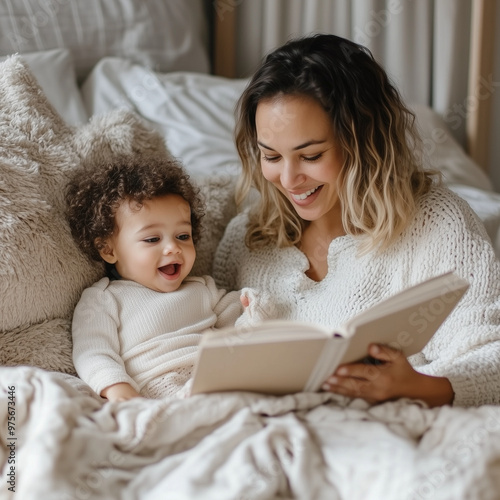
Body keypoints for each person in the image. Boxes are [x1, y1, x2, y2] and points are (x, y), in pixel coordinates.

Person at [213, 33, 500, 408]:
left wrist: (414, 386)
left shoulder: (438, 224)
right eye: (271, 156)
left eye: (311, 155)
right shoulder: (248, 238)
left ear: (365, 143)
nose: (288, 179)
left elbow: (491, 358)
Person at [66, 154, 268, 402]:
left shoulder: (203, 288)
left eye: (183, 236)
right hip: (160, 388)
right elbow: (93, 352)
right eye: (152, 239)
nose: (173, 248)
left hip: (216, 376)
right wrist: (117, 387)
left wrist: (251, 308)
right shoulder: (104, 298)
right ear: (109, 250)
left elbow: (235, 323)